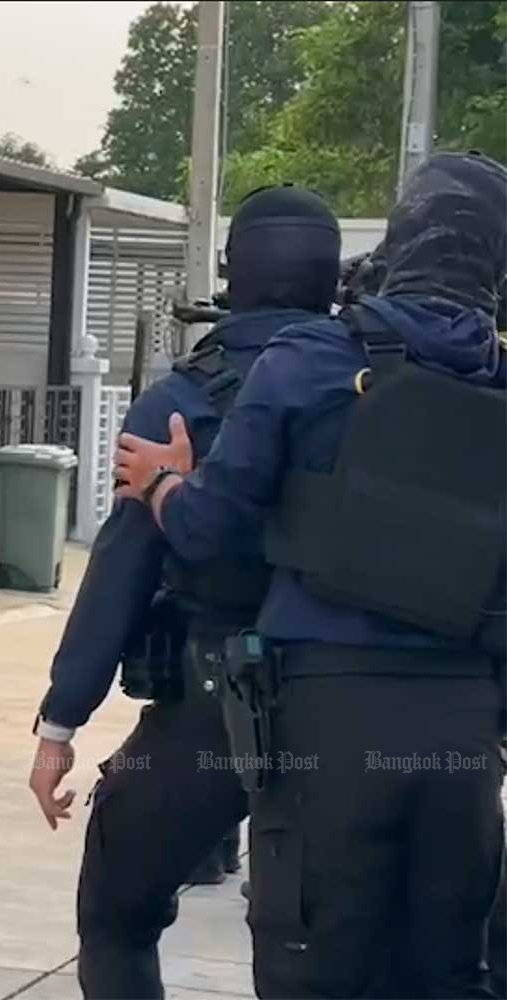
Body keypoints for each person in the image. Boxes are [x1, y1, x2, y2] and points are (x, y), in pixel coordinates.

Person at [115, 152, 507, 997]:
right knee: (451, 968)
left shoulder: (312, 360)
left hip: (326, 710)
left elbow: (211, 529)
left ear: (401, 241)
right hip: (466, 726)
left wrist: (163, 484)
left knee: (319, 961)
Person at [28, 185, 342, 998]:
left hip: (211, 707)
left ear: (231, 279)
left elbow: (123, 568)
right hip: (355, 704)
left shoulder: (181, 400)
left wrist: (63, 718)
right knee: (321, 939)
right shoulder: (372, 386)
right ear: (332, 282)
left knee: (118, 908)